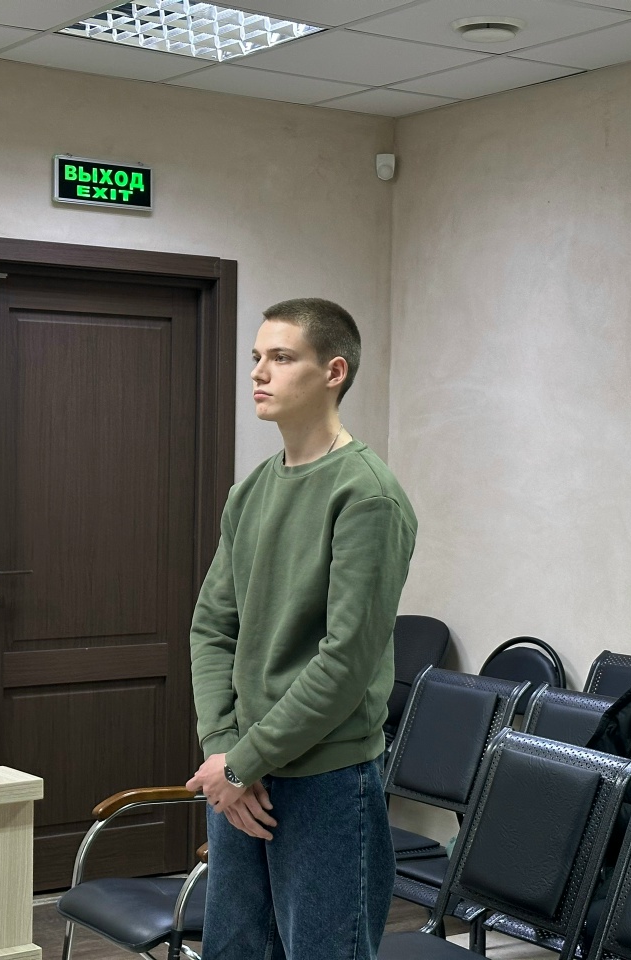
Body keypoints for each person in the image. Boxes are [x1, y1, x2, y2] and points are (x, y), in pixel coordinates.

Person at [186, 297, 418, 960]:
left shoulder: (367, 495)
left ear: (333, 372)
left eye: (282, 358)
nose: (258, 373)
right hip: (241, 778)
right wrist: (225, 751)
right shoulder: (251, 491)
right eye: (256, 357)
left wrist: (242, 762)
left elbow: (344, 664)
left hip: (325, 781)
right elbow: (212, 626)